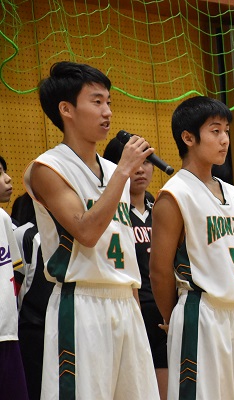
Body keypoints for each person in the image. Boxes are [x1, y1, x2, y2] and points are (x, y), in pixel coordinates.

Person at [24, 61, 159, 399]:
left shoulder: (114, 170)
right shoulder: (48, 168)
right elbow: (85, 232)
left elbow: (123, 250)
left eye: (108, 102)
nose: (107, 111)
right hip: (81, 304)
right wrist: (123, 172)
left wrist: (134, 309)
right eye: (97, 102)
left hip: (126, 303)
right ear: (66, 109)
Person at [149, 96, 234, 400]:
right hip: (202, 314)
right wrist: (174, 318)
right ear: (188, 138)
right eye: (215, 131)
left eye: (226, 131)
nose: (225, 139)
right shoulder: (174, 195)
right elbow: (159, 271)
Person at [103, 138, 168, 399]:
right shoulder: (110, 212)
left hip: (162, 317)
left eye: (147, 162)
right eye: (134, 162)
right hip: (126, 311)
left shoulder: (162, 211)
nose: (141, 169)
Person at [11, 193, 55, 400]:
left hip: (62, 330)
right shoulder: (24, 235)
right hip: (33, 332)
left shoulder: (68, 233)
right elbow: (15, 288)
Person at [0, 156, 28, 400]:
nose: (8, 178)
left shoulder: (3, 218)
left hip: (6, 332)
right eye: (0, 173)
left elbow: (16, 273)